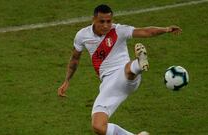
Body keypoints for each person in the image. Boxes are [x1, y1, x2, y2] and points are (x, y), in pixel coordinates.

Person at [58, 4, 182, 135]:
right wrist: (67, 80)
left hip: (126, 76)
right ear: (93, 19)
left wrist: (166, 29)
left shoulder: (119, 30)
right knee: (98, 126)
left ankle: (138, 64)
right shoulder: (82, 35)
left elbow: (145, 31)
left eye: (109, 21)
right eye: (102, 21)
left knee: (127, 69)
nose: (106, 25)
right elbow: (74, 59)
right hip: (109, 86)